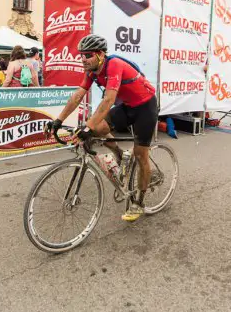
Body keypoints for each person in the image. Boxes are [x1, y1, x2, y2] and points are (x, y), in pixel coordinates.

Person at [45, 34, 158, 222]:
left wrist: (87, 127)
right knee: (98, 129)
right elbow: (77, 96)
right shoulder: (91, 72)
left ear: (100, 54)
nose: (82, 59)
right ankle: (120, 155)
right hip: (128, 106)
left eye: (87, 55)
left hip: (145, 107)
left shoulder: (114, 64)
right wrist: (59, 119)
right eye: (80, 55)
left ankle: (139, 203)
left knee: (140, 154)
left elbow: (109, 100)